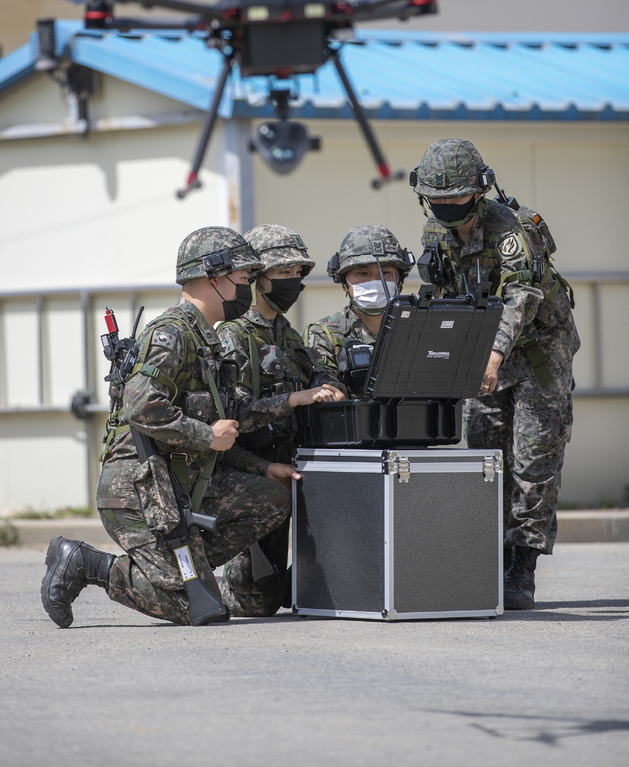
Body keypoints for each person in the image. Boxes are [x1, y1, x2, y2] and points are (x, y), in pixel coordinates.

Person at [41, 227, 299, 628]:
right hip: (139, 493)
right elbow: (140, 404)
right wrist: (205, 437)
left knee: (272, 499)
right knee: (201, 609)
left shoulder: (205, 339)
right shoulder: (173, 333)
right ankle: (87, 564)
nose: (248, 288)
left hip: (184, 485)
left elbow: (231, 418)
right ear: (215, 277)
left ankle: (180, 568)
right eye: (245, 279)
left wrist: (266, 462)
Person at [412, 138, 580, 610]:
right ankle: (489, 557)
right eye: (437, 200)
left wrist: (491, 355)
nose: (446, 209)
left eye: (456, 200)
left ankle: (521, 567)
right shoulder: (436, 233)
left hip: (538, 354)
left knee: (533, 461)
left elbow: (521, 296)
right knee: (487, 458)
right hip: (485, 354)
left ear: (479, 191)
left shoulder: (512, 229)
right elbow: (445, 295)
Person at [217, 224, 345, 615]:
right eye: (282, 273)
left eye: (296, 274)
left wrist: (330, 386)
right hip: (250, 472)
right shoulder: (232, 335)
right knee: (258, 601)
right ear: (256, 278)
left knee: (274, 593)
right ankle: (212, 585)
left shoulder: (287, 334)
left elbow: (318, 375)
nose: (292, 282)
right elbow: (233, 413)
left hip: (289, 466)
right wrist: (293, 399)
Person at [305, 225, 415, 397]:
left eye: (385, 272)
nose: (374, 281)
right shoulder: (325, 334)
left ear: (400, 278)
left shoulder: (421, 326)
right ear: (344, 282)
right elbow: (328, 393)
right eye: (362, 273)